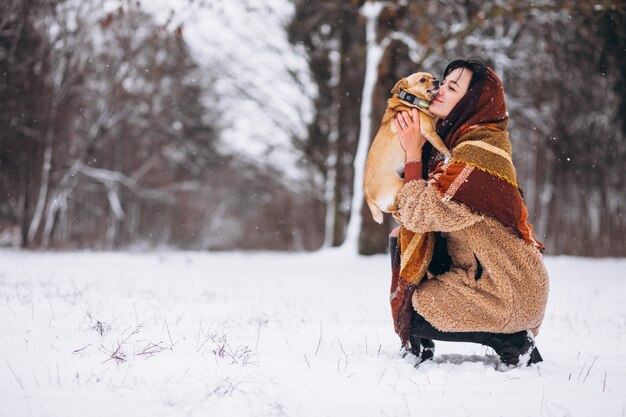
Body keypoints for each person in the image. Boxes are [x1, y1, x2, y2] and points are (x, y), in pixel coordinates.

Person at [388, 57, 549, 367]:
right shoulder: (464, 145)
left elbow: (419, 212)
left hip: (507, 292)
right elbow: (409, 212)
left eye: (452, 87)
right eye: (442, 82)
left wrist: (412, 155)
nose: (438, 90)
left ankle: (512, 339)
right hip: (491, 280)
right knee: (401, 237)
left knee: (414, 310)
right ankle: (418, 349)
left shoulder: (477, 157)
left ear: (472, 103)